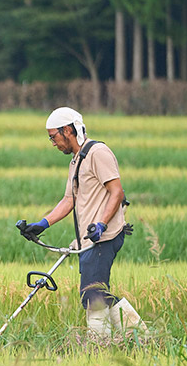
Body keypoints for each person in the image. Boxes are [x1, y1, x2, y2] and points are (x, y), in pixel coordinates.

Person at [20, 107, 147, 336]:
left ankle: (101, 344)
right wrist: (42, 224)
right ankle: (140, 338)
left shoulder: (98, 152)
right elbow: (69, 199)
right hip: (88, 240)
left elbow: (116, 192)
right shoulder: (76, 160)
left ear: (67, 130)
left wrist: (101, 224)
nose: (53, 143)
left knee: (93, 295)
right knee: (96, 293)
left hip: (104, 236)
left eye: (53, 137)